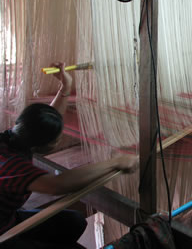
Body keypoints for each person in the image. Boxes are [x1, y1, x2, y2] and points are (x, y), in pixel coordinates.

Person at [0, 62, 139, 249]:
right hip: (3, 233)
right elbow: (59, 184)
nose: (60, 138)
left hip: (8, 216)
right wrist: (116, 163)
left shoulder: (14, 137)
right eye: (57, 139)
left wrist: (65, 87)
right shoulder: (12, 165)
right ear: (44, 145)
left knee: (75, 221)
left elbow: (49, 118)